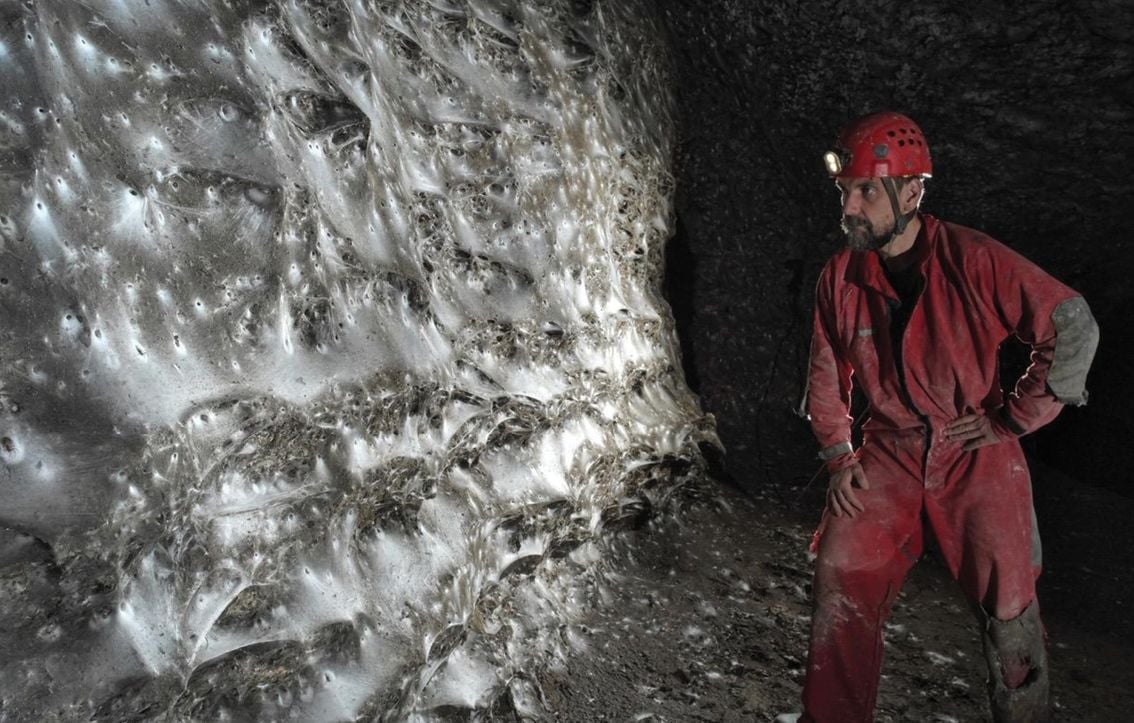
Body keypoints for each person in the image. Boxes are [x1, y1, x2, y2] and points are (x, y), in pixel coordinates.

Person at [789, 111, 1100, 723]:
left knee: (1010, 607)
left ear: (912, 193)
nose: (849, 207)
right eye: (844, 191)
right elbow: (826, 373)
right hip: (888, 450)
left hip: (973, 449)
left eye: (866, 191)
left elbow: (1070, 324)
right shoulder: (841, 275)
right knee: (842, 569)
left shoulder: (972, 258)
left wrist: (1014, 419)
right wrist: (838, 456)